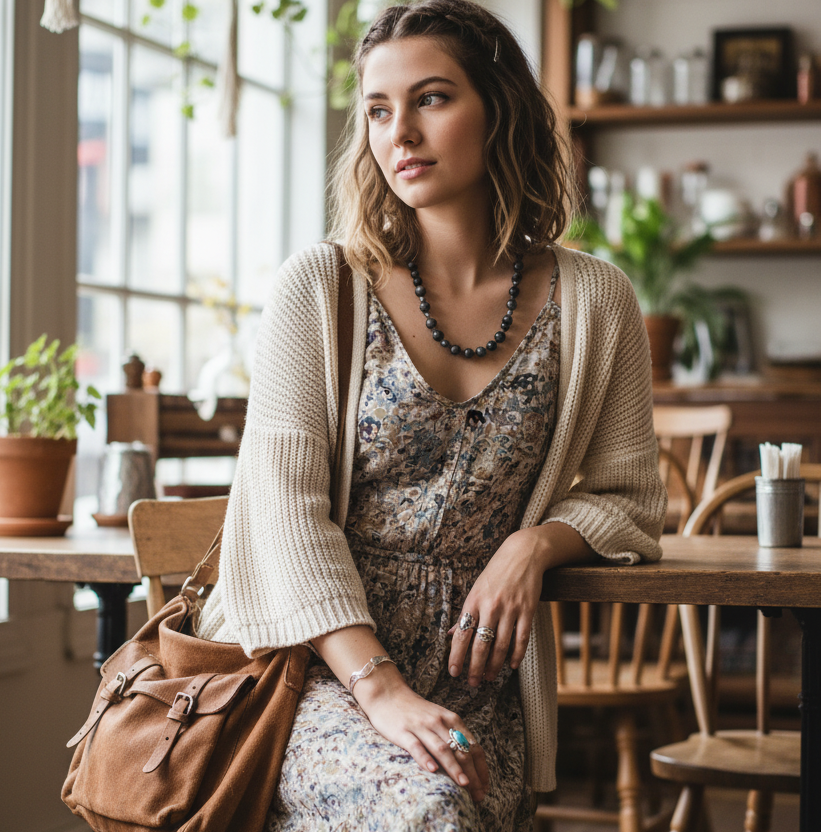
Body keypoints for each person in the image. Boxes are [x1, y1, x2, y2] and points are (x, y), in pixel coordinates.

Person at [196, 1, 667, 829]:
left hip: (482, 683)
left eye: (432, 98)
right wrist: (378, 691)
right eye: (378, 110)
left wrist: (532, 545)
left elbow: (629, 498)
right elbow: (282, 512)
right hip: (316, 669)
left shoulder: (596, 299)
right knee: (423, 811)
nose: (398, 133)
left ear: (499, 108)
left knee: (449, 798)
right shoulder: (320, 287)